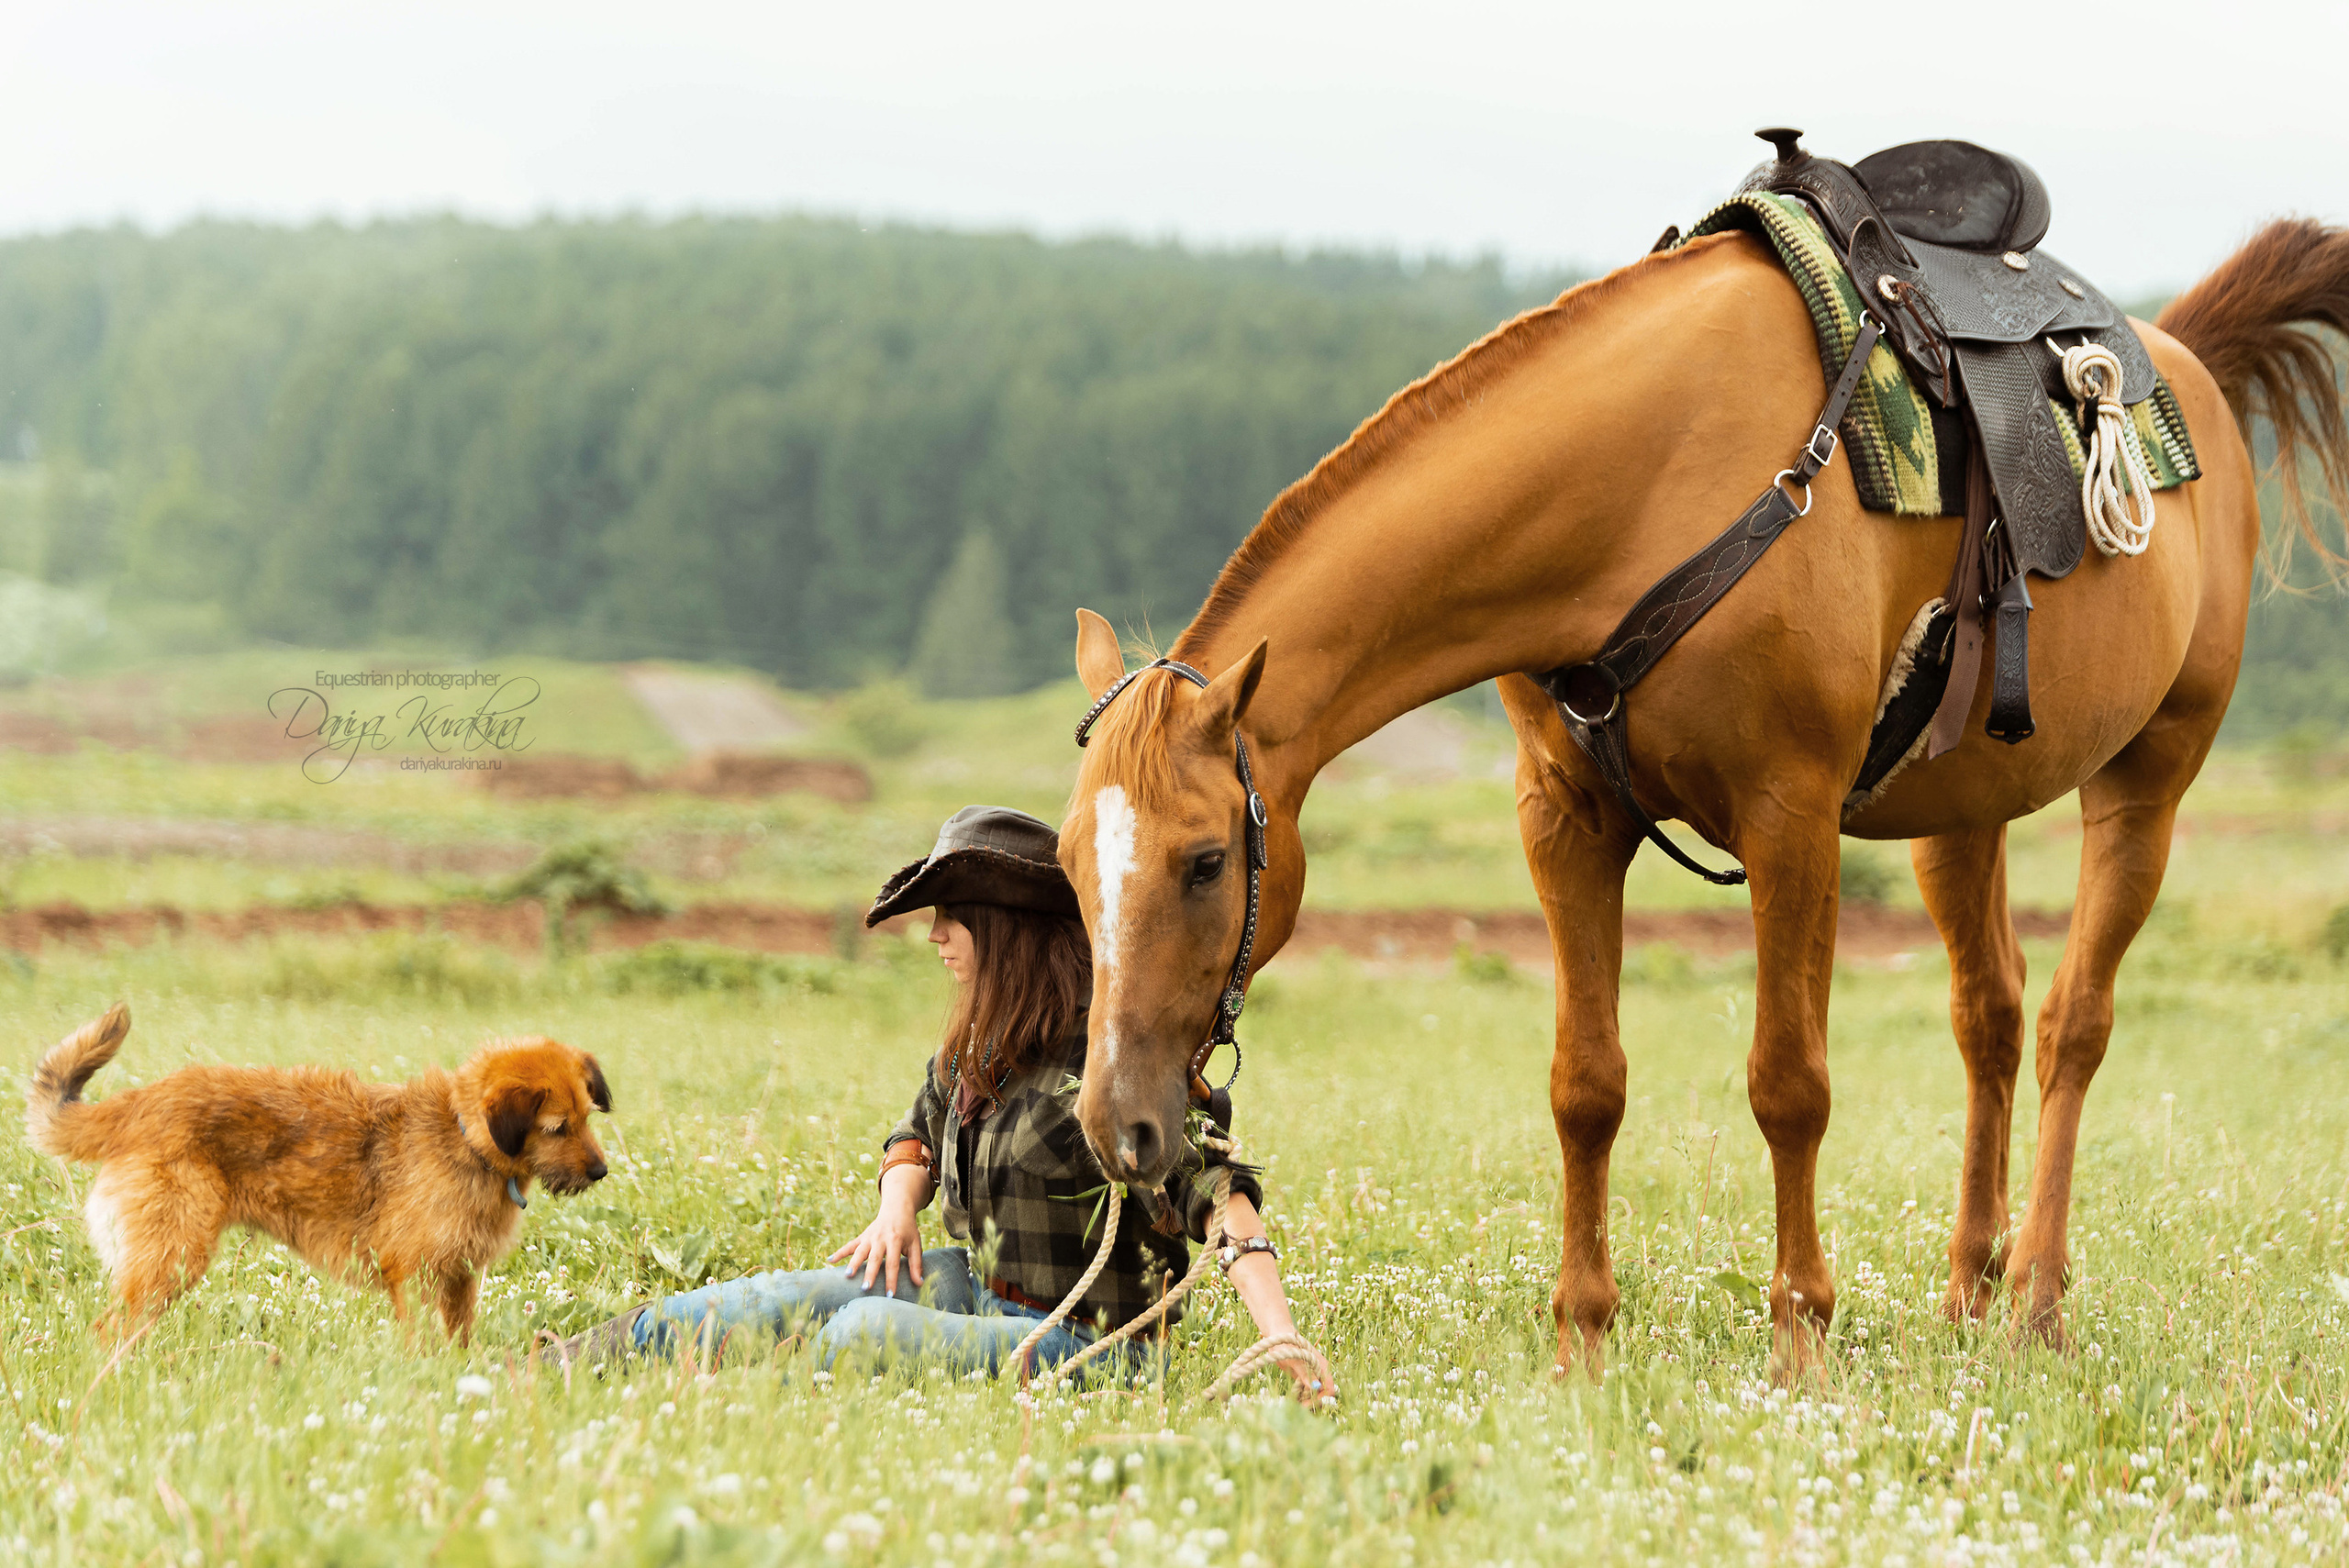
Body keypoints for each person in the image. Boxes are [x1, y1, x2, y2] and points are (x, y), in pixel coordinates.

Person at [541, 806, 1320, 1394]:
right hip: (977, 1289)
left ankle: (746, 1402)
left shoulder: (1117, 1069)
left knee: (865, 1327)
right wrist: (896, 1209)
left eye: (953, 920)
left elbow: (1219, 1195)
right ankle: (572, 1361)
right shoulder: (979, 1050)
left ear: (1007, 933)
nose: (935, 936)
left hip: (1090, 1342)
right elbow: (915, 1132)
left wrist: (1280, 1334)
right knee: (781, 1295)